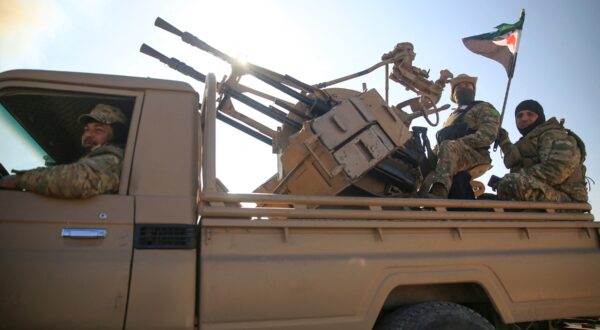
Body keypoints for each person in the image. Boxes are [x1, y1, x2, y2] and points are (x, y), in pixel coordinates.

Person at [0, 104, 128, 199]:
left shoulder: (114, 157)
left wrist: (19, 180)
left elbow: (77, 180)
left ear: (117, 135)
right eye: (86, 129)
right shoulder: (97, 157)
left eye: (98, 130)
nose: (88, 135)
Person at [423, 73, 500, 198]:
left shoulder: (483, 107)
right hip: (449, 153)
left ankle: (438, 194)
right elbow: (441, 143)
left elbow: (487, 135)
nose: (464, 87)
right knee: (421, 160)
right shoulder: (451, 117)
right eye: (459, 86)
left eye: (468, 85)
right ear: (454, 94)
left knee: (449, 146)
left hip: (475, 153)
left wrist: (458, 143)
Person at [496, 100, 588, 203]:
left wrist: (511, 179)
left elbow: (555, 170)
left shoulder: (553, 135)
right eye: (519, 116)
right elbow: (516, 161)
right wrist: (504, 142)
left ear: (540, 117)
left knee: (510, 183)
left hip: (567, 199)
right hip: (546, 193)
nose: (524, 118)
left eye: (530, 114)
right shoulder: (529, 140)